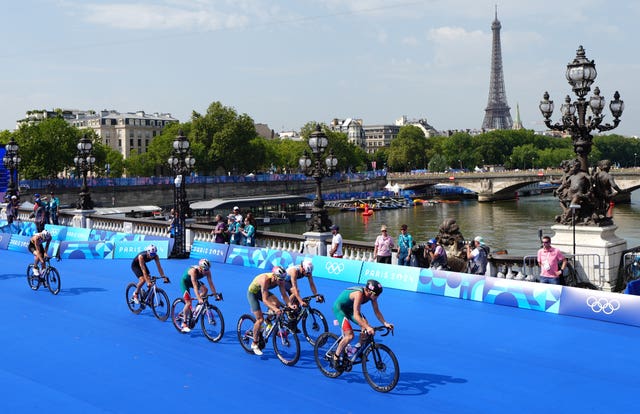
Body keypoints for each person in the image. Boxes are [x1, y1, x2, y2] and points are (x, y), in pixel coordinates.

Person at [332, 279, 393, 364]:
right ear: (368, 291)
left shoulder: (372, 295)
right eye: (376, 294)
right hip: (340, 309)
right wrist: (368, 327)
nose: (377, 297)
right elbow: (356, 315)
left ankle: (356, 349)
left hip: (350, 309)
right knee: (350, 336)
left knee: (366, 327)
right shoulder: (359, 294)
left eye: (378, 294)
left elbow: (377, 311)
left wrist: (385, 323)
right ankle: (336, 357)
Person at [246, 266, 290, 355]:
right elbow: (265, 300)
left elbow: (284, 295)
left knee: (277, 303)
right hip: (253, 294)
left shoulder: (280, 279)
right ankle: (254, 343)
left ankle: (268, 320)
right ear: (274, 276)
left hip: (263, 291)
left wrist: (290, 305)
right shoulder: (265, 279)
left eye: (283, 279)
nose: (282, 281)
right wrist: (275, 310)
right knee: (260, 319)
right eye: (280, 279)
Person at [179, 258, 219, 332]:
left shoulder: (207, 271)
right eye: (204, 269)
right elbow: (195, 286)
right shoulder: (193, 271)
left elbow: (211, 283)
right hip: (185, 282)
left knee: (205, 290)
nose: (206, 272)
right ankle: (184, 324)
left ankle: (196, 309)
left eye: (207, 269)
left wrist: (215, 295)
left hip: (193, 281)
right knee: (188, 303)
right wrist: (199, 298)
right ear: (200, 267)